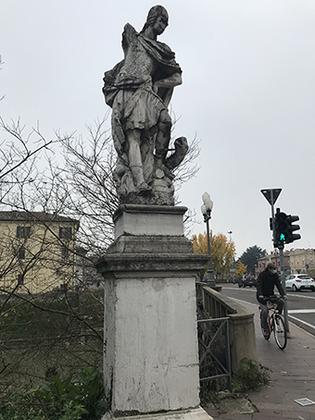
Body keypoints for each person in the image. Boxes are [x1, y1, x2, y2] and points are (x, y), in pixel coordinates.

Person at [103, 5, 183, 197]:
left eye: (166, 23)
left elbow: (177, 78)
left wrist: (158, 83)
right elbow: (126, 35)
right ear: (151, 18)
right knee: (134, 136)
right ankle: (139, 182)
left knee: (166, 121)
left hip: (147, 91)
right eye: (161, 21)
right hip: (128, 91)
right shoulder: (133, 38)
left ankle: (158, 166)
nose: (163, 26)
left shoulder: (163, 51)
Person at [256, 263, 286, 336]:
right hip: (262, 297)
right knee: (265, 311)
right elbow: (259, 285)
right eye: (273, 269)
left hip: (270, 295)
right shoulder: (262, 275)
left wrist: (283, 294)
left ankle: (278, 317)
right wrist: (260, 294)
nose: (274, 271)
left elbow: (278, 285)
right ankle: (265, 328)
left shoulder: (275, 275)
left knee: (281, 302)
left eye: (275, 269)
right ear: (269, 269)